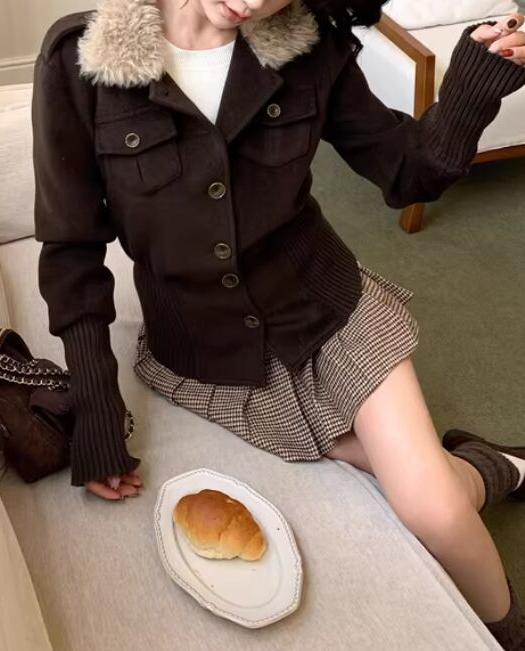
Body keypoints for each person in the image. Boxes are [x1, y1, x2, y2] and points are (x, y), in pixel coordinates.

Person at [32, 0, 525, 647]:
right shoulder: (79, 57)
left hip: (327, 309)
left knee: (433, 509)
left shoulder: (309, 45)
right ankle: (496, 466)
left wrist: (474, 80)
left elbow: (410, 171)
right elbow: (71, 251)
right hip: (204, 350)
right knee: (409, 467)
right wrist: (96, 409)